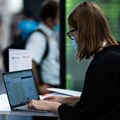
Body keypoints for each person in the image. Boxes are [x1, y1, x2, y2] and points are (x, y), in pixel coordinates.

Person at [28, 1, 120, 120]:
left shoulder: (103, 64)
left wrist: (51, 106)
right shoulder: (114, 54)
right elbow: (95, 100)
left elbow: (81, 116)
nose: (73, 38)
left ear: (83, 31)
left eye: (72, 33)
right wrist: (65, 100)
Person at [25, 0, 60, 95]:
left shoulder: (51, 35)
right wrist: (37, 88)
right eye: (58, 16)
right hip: (47, 90)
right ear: (49, 19)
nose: (60, 20)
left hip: (55, 88)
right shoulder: (38, 37)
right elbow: (29, 62)